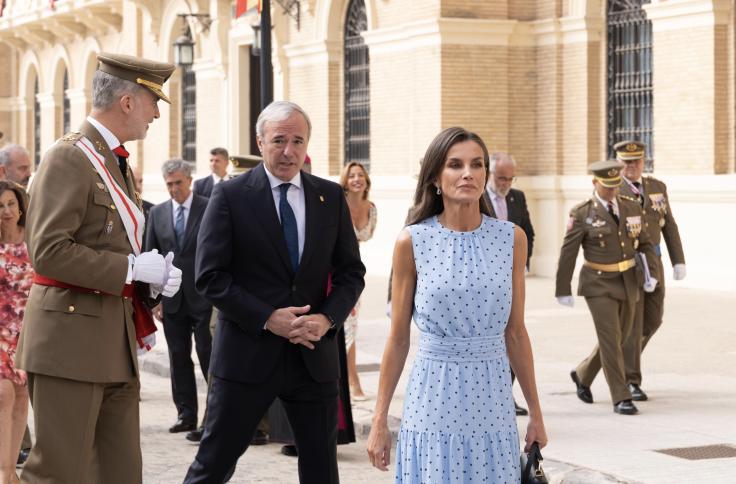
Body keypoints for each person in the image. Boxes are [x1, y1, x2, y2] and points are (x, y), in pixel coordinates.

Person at [15, 53, 181, 484]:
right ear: (127, 102)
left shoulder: (114, 161)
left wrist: (152, 280)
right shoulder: (69, 157)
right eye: (153, 102)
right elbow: (48, 251)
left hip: (113, 340)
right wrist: (129, 268)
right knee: (61, 473)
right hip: (70, 343)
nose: (157, 113)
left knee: (119, 472)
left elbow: (109, 242)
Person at [184, 101, 365, 483]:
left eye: (298, 141)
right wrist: (268, 318)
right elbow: (210, 276)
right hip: (247, 358)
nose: (289, 150)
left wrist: (326, 317)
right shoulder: (230, 196)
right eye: (279, 140)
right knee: (212, 466)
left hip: (312, 358)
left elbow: (351, 272)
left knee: (321, 472)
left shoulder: (330, 198)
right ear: (260, 142)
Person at [367, 127, 547, 482]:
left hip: (493, 398)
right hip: (432, 396)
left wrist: (536, 414)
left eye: (476, 164)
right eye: (455, 164)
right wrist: (379, 420)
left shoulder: (512, 239)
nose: (468, 173)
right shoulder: (412, 241)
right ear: (435, 177)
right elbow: (398, 338)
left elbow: (516, 333)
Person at [556, 160, 660, 415]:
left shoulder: (631, 207)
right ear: (594, 183)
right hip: (598, 283)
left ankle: (583, 374)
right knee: (611, 340)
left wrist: (652, 274)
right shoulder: (582, 213)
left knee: (622, 338)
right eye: (607, 186)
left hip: (628, 281)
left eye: (616, 185)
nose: (613, 191)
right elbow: (568, 253)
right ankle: (621, 396)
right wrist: (562, 288)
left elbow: (645, 243)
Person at [144, 159, 212, 435]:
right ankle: (185, 414)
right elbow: (152, 257)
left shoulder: (209, 208)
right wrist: (155, 299)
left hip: (206, 298)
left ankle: (213, 417)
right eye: (169, 184)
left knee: (210, 357)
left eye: (178, 183)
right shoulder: (158, 214)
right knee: (178, 357)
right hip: (172, 301)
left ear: (189, 181)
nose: (174, 189)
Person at [615, 141, 686, 401]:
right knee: (632, 326)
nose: (631, 166)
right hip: (629, 264)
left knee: (653, 319)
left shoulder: (657, 188)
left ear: (644, 162)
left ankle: (592, 368)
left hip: (653, 262)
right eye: (626, 161)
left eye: (636, 161)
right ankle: (631, 380)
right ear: (618, 162)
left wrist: (678, 260)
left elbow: (670, 225)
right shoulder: (613, 188)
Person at [483, 150, 535, 416]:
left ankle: (506, 394)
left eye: (510, 179)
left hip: (511, 281)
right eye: (501, 178)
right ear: (490, 174)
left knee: (515, 335)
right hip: (485, 283)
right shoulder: (477, 199)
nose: (505, 184)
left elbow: (529, 232)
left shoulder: (518, 197)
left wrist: (523, 264)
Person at [0, 181, 32, 484]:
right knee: (3, 394)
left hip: (27, 332)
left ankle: (11, 471)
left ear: (20, 207)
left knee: (21, 395)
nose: (6, 211)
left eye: (11, 203)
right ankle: (3, 471)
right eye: (0, 206)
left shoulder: (32, 242)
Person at [339, 161, 377, 400]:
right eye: (351, 175)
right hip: (334, 272)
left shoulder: (371, 208)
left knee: (350, 326)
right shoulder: (337, 203)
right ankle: (351, 381)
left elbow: (366, 236)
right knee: (342, 327)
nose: (356, 179)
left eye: (360, 175)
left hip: (354, 273)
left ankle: (350, 381)